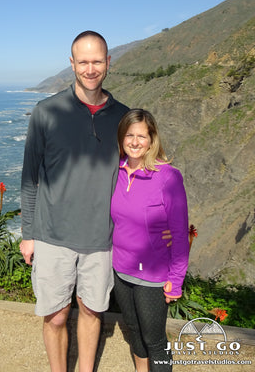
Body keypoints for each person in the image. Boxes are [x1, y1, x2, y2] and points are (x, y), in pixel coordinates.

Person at [20, 31, 129, 372]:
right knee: (55, 317)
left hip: (102, 238)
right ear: (72, 64)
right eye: (83, 61)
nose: (91, 68)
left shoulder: (124, 117)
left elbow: (137, 176)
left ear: (108, 62)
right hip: (52, 235)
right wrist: (27, 233)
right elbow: (30, 176)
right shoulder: (45, 112)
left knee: (92, 311)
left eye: (97, 61)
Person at [111, 109, 189, 372]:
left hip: (153, 275)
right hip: (120, 270)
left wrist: (176, 280)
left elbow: (179, 234)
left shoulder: (167, 177)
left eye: (141, 136)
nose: (134, 142)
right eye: (129, 135)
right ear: (121, 138)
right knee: (134, 331)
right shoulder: (115, 172)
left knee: (154, 341)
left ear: (152, 139)